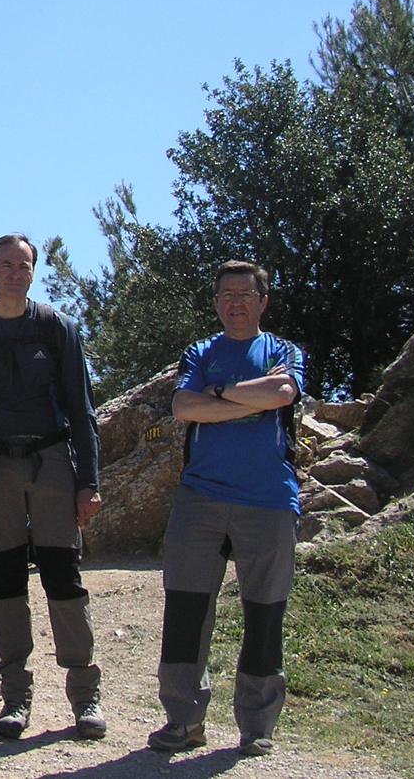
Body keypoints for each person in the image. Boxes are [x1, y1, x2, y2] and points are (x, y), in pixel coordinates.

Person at [0, 234, 104, 741]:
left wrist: (89, 483)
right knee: (6, 579)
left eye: (24, 264)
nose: (15, 272)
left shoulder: (57, 329)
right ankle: (15, 697)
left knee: (63, 576)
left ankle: (85, 694)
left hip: (52, 463)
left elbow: (82, 410)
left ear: (34, 271)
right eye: (6, 264)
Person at [148, 261, 302, 758]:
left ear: (263, 301)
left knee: (264, 614)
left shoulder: (282, 351)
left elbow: (283, 392)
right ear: (215, 305)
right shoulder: (199, 351)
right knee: (187, 611)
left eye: (245, 293)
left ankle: (257, 727)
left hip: (270, 499)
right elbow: (184, 407)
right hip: (201, 498)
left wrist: (217, 394)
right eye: (226, 295)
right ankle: (183, 721)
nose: (235, 302)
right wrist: (249, 401)